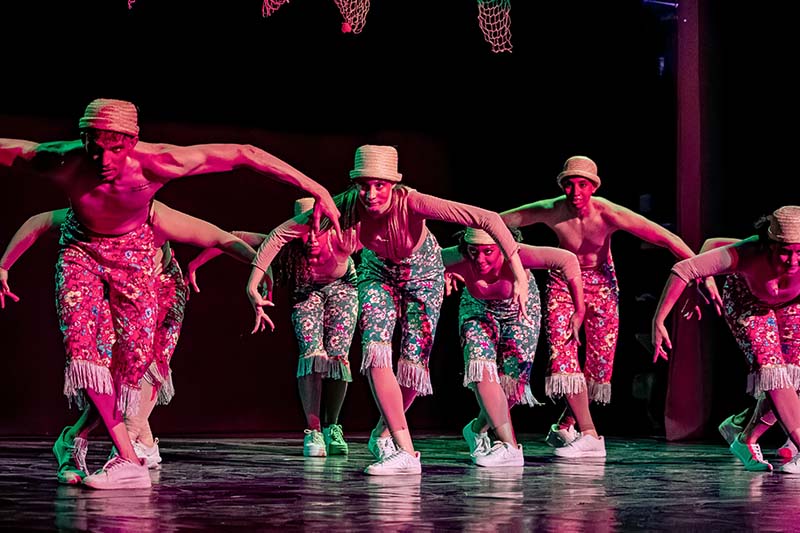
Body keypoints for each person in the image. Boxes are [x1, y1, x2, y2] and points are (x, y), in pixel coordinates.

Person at [0, 98, 339, 489]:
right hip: (80, 253)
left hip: (139, 267)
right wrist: (4, 263)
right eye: (96, 147)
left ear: (134, 141)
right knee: (85, 354)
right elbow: (34, 199)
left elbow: (242, 159)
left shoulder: (157, 168)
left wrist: (315, 189)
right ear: (83, 138)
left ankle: (78, 441)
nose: (105, 159)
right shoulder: (61, 159)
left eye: (116, 148)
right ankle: (127, 457)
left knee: (131, 364)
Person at [248, 145, 529, 475]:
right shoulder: (347, 204)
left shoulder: (413, 202)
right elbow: (283, 232)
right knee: (375, 352)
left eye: (379, 185)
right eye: (364, 184)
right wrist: (254, 281)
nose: (370, 194)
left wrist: (520, 276)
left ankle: (384, 431)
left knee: (412, 368)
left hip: (423, 273)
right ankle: (405, 452)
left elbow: (487, 219)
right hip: (377, 272)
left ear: (392, 185)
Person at [0, 201, 258, 484]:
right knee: (108, 373)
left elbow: (222, 236)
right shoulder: (95, 214)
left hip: (163, 292)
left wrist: (259, 274)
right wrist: (4, 265)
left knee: (146, 368)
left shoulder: (156, 217)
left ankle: (116, 443)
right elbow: (41, 220)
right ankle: (105, 443)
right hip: (121, 293)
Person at [500, 155, 714, 458]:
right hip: (562, 282)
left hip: (602, 284)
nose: (575, 192)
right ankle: (590, 434)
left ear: (593, 187)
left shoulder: (609, 213)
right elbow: (494, 221)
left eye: (582, 185)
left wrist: (701, 272)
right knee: (563, 357)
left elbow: (666, 238)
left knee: (599, 364)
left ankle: (567, 423)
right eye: (569, 185)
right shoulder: (552, 210)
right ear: (562, 186)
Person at [187, 197, 359, 457]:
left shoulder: (342, 237)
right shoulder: (283, 243)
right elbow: (232, 237)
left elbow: (379, 245)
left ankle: (332, 427)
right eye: (305, 232)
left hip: (344, 288)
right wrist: (196, 264)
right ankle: (313, 430)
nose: (311, 238)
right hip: (306, 292)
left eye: (317, 231)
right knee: (312, 355)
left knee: (337, 357)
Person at [652, 206, 800, 473]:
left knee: (793, 375)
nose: (792, 261)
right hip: (747, 302)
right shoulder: (747, 253)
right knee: (772, 368)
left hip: (791, 305)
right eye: (785, 252)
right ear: (769, 245)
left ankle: (744, 435)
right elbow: (684, 269)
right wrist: (659, 319)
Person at [442, 227, 585, 466]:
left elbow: (567, 260)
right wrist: (446, 271)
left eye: (488, 252)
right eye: (473, 252)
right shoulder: (457, 256)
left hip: (519, 309)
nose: (479, 259)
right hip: (477, 309)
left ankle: (476, 429)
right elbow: (417, 262)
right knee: (481, 367)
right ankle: (508, 445)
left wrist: (579, 310)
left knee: (513, 385)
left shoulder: (520, 254)